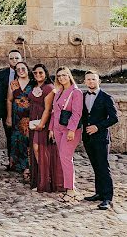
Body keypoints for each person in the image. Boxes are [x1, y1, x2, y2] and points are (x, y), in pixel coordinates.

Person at [81, 71, 118, 210]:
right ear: (85, 82)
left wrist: (98, 127)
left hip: (101, 138)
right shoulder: (83, 96)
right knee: (96, 166)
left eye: (93, 79)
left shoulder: (107, 97)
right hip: (88, 138)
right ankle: (99, 193)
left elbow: (114, 118)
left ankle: (108, 198)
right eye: (88, 79)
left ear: (99, 81)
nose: (91, 81)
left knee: (103, 166)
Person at [28, 63, 62, 193]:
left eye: (40, 73)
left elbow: (48, 109)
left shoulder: (49, 88)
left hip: (44, 122)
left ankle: (46, 179)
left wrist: (42, 124)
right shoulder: (35, 86)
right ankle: (40, 178)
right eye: (35, 73)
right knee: (36, 149)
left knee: (40, 149)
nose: (37, 75)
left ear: (46, 74)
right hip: (34, 120)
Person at [51, 67, 83, 199]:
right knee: (62, 157)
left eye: (64, 75)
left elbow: (77, 113)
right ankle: (63, 184)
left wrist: (71, 130)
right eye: (59, 76)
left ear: (69, 76)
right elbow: (54, 112)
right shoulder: (58, 91)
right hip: (58, 129)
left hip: (70, 129)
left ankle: (70, 188)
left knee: (65, 157)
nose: (61, 78)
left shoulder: (76, 92)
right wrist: (51, 129)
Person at [6, 61, 32, 176]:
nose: (21, 71)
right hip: (17, 117)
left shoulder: (33, 83)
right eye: (18, 69)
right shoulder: (13, 83)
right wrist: (9, 117)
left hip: (30, 117)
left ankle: (29, 166)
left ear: (27, 69)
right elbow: (9, 100)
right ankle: (18, 165)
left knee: (29, 141)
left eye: (23, 68)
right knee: (18, 140)